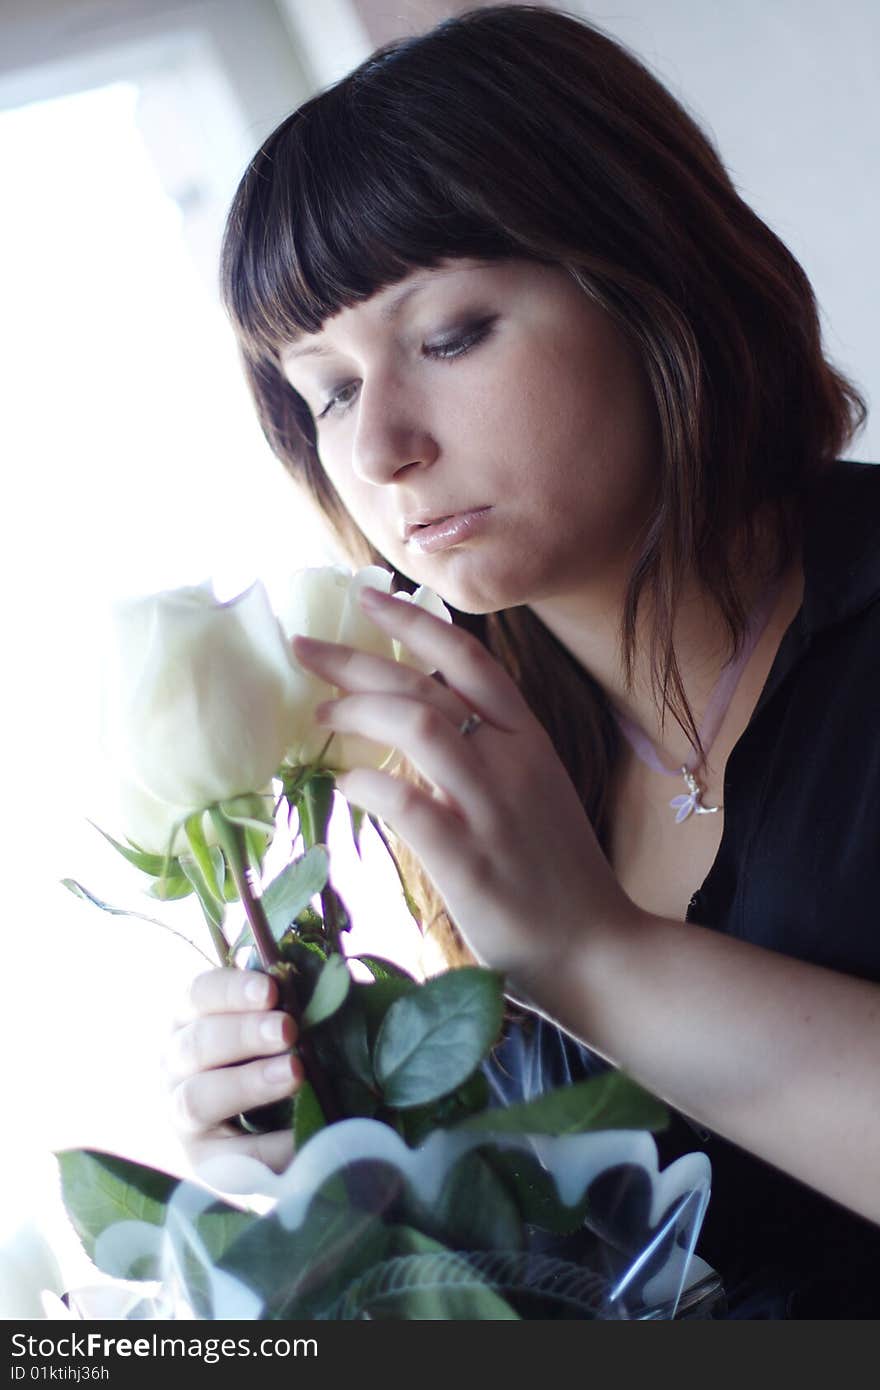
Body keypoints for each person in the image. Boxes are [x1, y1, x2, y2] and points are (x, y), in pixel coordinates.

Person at [161, 5, 880, 1317]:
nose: (378, 449)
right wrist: (334, 1154)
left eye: (448, 337)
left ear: (650, 279)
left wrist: (592, 952)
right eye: (324, 390)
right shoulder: (462, 771)